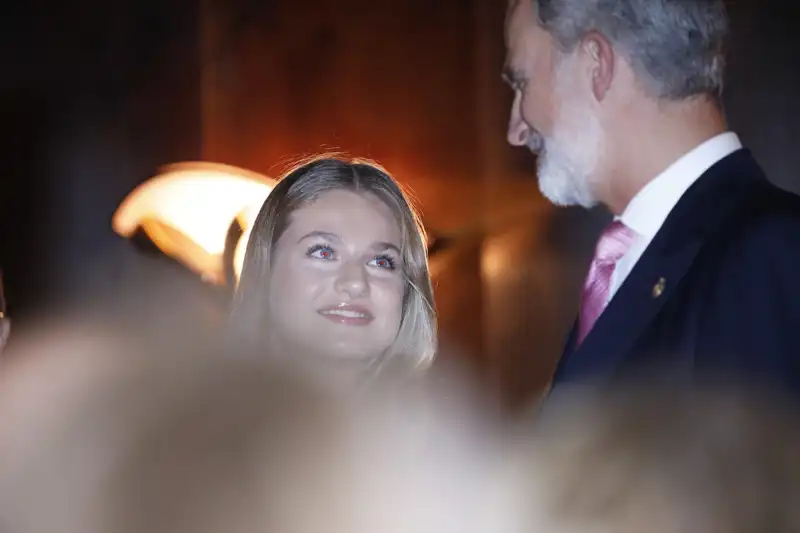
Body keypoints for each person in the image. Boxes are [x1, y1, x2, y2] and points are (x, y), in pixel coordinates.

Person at [503, 0, 800, 393]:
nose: (516, 129)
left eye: (522, 83)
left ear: (597, 63)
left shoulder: (769, 255)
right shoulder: (628, 261)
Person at [230, 155, 436, 382]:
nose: (355, 283)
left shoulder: (455, 415)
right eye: (324, 252)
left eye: (381, 262)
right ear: (267, 267)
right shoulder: (201, 413)